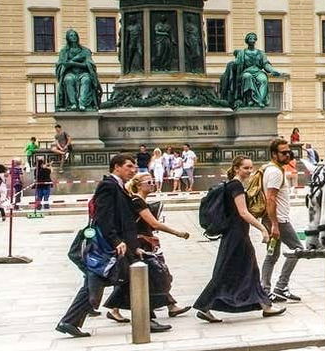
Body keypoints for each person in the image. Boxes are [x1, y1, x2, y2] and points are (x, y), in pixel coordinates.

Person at [57, 153, 156, 338]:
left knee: (126, 279)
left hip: (122, 244)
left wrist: (134, 245)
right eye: (129, 166)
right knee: (104, 282)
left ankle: (70, 321)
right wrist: (116, 241)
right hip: (112, 246)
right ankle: (69, 321)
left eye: (134, 167)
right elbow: (104, 217)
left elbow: (124, 220)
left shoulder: (119, 187)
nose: (133, 170)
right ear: (116, 167)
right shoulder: (108, 186)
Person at [194, 156, 286, 322]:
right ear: (236, 168)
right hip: (237, 236)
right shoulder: (236, 186)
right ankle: (204, 305)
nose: (249, 171)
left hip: (234, 234)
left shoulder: (232, 184)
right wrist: (263, 229)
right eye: (245, 168)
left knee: (245, 270)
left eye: (251, 168)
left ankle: (265, 305)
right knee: (229, 271)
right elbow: (243, 212)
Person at [104, 173, 192, 324]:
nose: (152, 184)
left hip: (142, 243)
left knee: (145, 276)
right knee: (156, 274)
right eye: (149, 182)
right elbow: (154, 224)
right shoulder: (138, 201)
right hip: (139, 244)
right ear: (139, 185)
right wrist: (178, 233)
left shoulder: (139, 201)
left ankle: (169, 306)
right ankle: (165, 307)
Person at [261, 139, 303, 303]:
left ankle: (265, 289)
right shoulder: (275, 173)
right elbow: (270, 199)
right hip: (279, 220)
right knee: (297, 249)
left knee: (272, 254)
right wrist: (275, 225)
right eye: (283, 152)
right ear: (274, 154)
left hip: (273, 219)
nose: (288, 155)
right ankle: (279, 287)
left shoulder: (271, 169)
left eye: (288, 152)